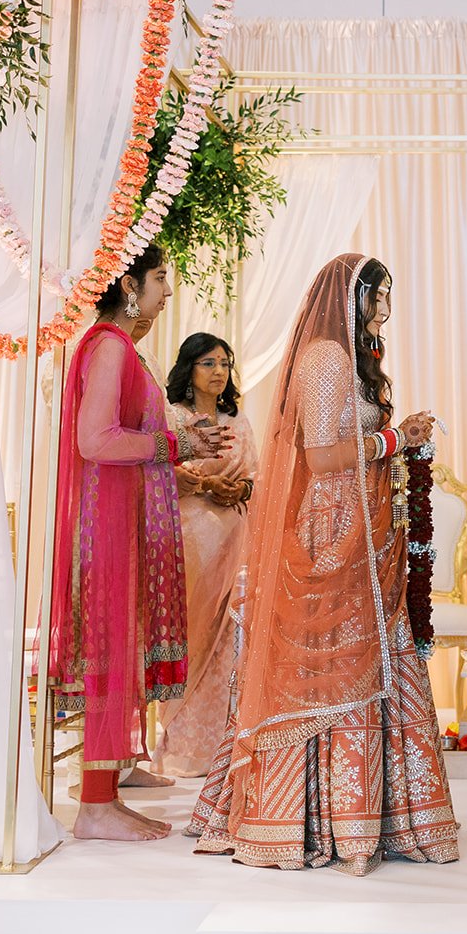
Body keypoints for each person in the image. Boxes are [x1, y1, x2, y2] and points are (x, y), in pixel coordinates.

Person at [189, 254, 460, 873]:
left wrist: (396, 433)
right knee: (333, 660)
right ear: (350, 298)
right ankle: (316, 819)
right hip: (331, 530)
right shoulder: (324, 359)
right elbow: (322, 454)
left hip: (364, 527)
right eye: (376, 297)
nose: (384, 311)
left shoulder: (351, 359)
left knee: (376, 653)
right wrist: (395, 441)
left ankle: (373, 817)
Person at [48, 245, 227, 842]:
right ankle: (95, 807)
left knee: (122, 648)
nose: (166, 292)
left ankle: (105, 793)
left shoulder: (116, 347)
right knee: (109, 651)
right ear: (129, 283)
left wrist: (184, 451)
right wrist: (174, 448)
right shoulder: (107, 347)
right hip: (109, 524)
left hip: (123, 518)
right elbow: (95, 441)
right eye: (159, 279)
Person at [154, 334, 257, 779]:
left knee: (231, 647)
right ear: (188, 368)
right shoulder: (173, 417)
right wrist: (206, 485)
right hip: (189, 543)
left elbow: (255, 473)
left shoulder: (238, 421)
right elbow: (161, 474)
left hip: (236, 539)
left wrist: (242, 488)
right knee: (192, 641)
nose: (218, 371)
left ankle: (226, 748)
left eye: (224, 364)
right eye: (208, 362)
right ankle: (184, 748)